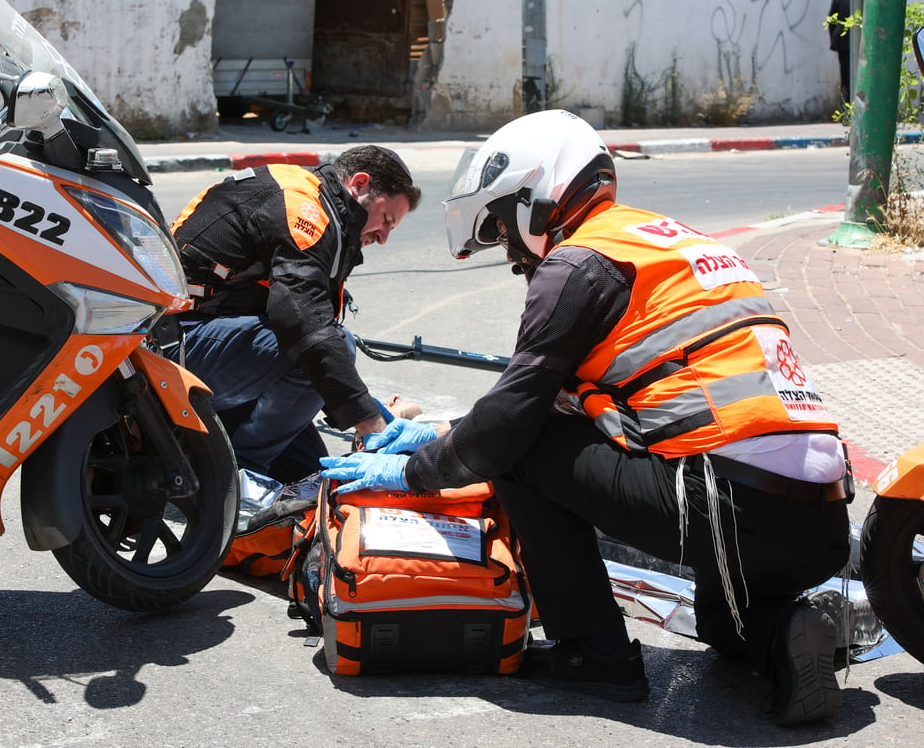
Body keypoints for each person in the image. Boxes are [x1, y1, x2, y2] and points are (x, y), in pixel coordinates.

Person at [319, 110, 851, 726]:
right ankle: (785, 628)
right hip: (821, 522)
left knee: (522, 450)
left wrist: (417, 471)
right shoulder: (673, 243)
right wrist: (442, 435)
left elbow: (510, 426)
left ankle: (593, 655)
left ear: (534, 196)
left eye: (501, 225)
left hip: (723, 507)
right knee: (720, 621)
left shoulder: (577, 264)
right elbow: (554, 397)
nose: (512, 251)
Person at [170, 145, 421, 485]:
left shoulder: (319, 204)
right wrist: (371, 423)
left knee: (310, 475)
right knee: (330, 345)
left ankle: (221, 457)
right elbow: (304, 325)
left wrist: (377, 414)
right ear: (360, 185)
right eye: (387, 219)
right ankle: (235, 477)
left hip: (213, 344)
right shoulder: (302, 207)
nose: (384, 237)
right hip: (173, 346)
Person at [828, 0, 851, 105]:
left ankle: (846, 111)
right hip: (858, 42)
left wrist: (833, 40)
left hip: (843, 42)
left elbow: (831, 19)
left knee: (846, 77)